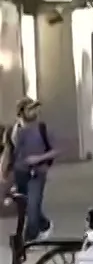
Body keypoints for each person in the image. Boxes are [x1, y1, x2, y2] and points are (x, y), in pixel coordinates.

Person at [7, 98, 57, 240]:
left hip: (38, 171)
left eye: (35, 108)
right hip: (20, 172)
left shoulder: (42, 128)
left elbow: (55, 150)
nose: (34, 111)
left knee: (33, 203)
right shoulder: (14, 130)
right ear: (22, 112)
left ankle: (30, 239)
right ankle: (45, 225)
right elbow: (9, 152)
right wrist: (4, 172)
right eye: (30, 108)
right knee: (27, 206)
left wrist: (39, 158)